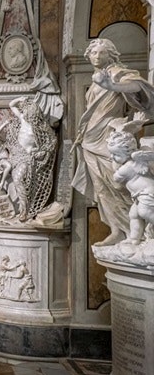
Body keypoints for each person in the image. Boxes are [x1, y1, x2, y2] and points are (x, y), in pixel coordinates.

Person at [72, 38, 154, 245]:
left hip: (110, 137)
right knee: (101, 188)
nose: (97, 56)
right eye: (94, 53)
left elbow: (137, 85)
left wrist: (112, 85)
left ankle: (140, 229)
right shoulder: (95, 78)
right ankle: (117, 230)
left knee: (119, 184)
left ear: (111, 55)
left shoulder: (115, 72)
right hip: (90, 139)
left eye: (102, 52)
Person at [108, 129, 154, 245]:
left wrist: (115, 164)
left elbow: (116, 178)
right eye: (111, 154)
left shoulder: (128, 167)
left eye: (116, 155)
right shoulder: (134, 161)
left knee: (144, 212)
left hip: (147, 193)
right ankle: (134, 239)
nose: (112, 157)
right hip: (139, 195)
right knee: (134, 215)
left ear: (128, 153)